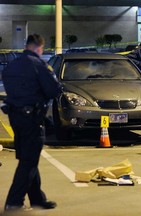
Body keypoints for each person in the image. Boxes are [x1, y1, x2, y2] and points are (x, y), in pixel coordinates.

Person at [2, 34, 62, 212]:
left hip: (15, 117)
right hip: (32, 118)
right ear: (39, 48)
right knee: (29, 160)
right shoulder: (38, 64)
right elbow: (53, 90)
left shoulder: (11, 65)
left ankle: (37, 199)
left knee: (29, 157)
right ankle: (14, 202)